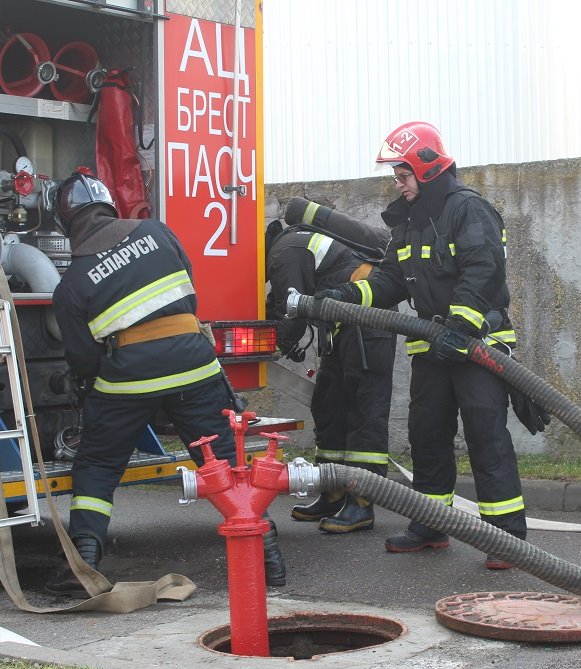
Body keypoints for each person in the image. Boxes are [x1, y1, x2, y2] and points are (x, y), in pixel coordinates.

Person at [46, 170, 286, 595]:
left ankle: (84, 565)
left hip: (128, 382)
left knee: (99, 465)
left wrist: (92, 388)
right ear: (109, 207)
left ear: (67, 223)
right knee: (223, 460)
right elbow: (188, 285)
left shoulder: (72, 282)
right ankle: (267, 554)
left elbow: (83, 359)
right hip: (195, 365)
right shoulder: (157, 232)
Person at [317, 122, 526, 570]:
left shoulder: (467, 210)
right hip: (431, 348)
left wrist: (460, 326)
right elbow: (392, 279)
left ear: (428, 168)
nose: (398, 183)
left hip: (476, 347)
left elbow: (483, 269)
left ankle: (507, 538)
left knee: (485, 437)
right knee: (427, 437)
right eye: (396, 176)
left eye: (403, 175)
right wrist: (351, 297)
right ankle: (432, 523)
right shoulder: (409, 222)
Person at [265, 219, 396, 533]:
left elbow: (291, 314)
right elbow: (280, 304)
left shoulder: (283, 253)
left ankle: (362, 502)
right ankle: (333, 492)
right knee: (329, 405)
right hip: (342, 325)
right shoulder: (291, 246)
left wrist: (272, 349)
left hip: (367, 318)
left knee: (362, 408)